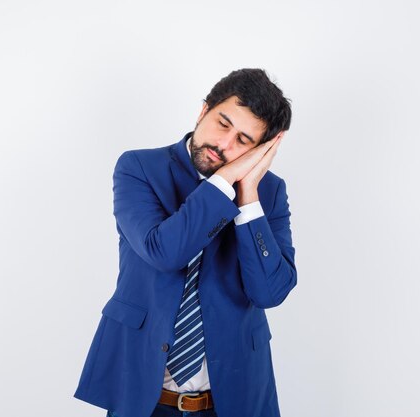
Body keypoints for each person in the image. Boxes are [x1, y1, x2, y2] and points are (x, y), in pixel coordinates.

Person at [73, 68, 297, 417]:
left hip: (232, 400)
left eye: (244, 141)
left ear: (261, 150)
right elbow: (165, 252)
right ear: (203, 110)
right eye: (223, 124)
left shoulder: (269, 192)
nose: (224, 145)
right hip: (144, 396)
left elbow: (270, 292)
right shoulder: (139, 168)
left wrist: (248, 196)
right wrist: (223, 181)